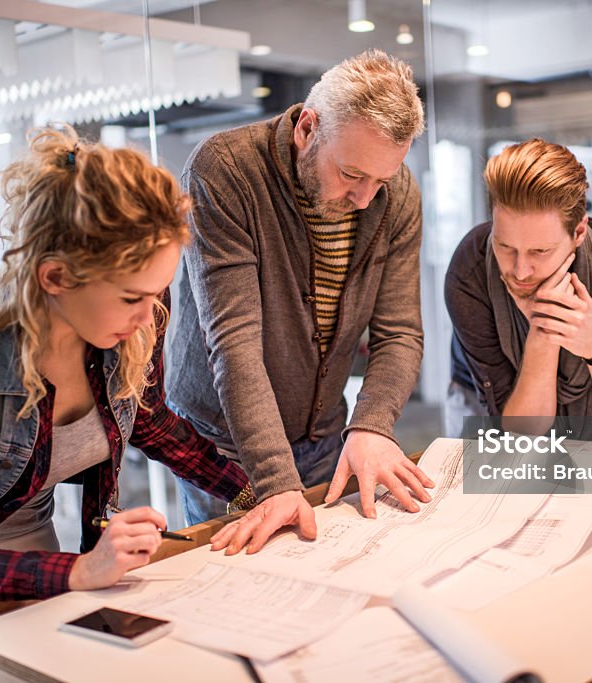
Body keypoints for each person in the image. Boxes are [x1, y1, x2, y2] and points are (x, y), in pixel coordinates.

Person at [0, 127, 248, 664]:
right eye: (133, 297)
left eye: (157, 293)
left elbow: (150, 422)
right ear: (56, 276)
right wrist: (83, 570)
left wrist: (254, 494)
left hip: (26, 530)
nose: (148, 316)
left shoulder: (126, 325)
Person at [165, 49, 433, 555]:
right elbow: (234, 342)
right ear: (308, 128)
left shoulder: (394, 192)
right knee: (239, 578)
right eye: (352, 174)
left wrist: (372, 423)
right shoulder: (225, 172)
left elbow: (399, 330)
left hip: (328, 430)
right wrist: (275, 480)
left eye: (381, 179)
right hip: (226, 442)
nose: (365, 197)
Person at [444, 139, 592, 443]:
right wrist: (543, 334)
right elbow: (524, 434)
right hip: (482, 403)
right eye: (505, 246)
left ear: (578, 232)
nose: (520, 271)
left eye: (540, 251)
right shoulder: (470, 273)